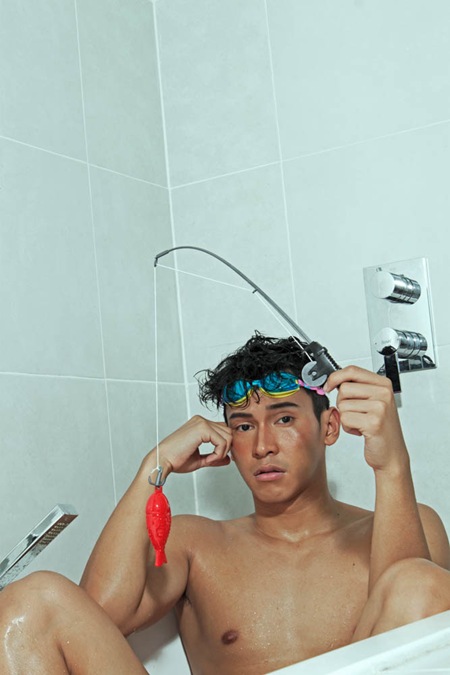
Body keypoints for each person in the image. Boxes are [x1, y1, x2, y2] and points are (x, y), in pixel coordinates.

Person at [0, 333, 449, 675]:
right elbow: (96, 619)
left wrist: (392, 465)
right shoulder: (196, 545)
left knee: (417, 580)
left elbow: (421, 638)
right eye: (244, 426)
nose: (263, 446)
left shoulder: (408, 526)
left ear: (329, 427)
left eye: (284, 418)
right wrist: (153, 468)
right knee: (32, 599)